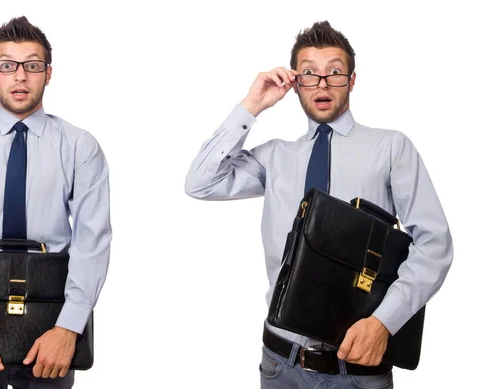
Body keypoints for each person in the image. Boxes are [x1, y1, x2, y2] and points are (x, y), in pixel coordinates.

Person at [185, 20, 453, 389]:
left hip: (357, 369)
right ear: (295, 84)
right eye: (309, 73)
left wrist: (384, 322)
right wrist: (251, 106)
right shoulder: (276, 156)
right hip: (280, 364)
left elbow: (434, 244)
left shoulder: (391, 148)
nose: (322, 83)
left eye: (335, 72)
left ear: (352, 81)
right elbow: (200, 181)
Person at [0, 16, 111, 389]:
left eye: (33, 65)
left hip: (51, 327)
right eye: (8, 65)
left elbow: (94, 241)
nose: (21, 76)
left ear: (48, 73)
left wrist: (68, 328)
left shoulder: (80, 147)